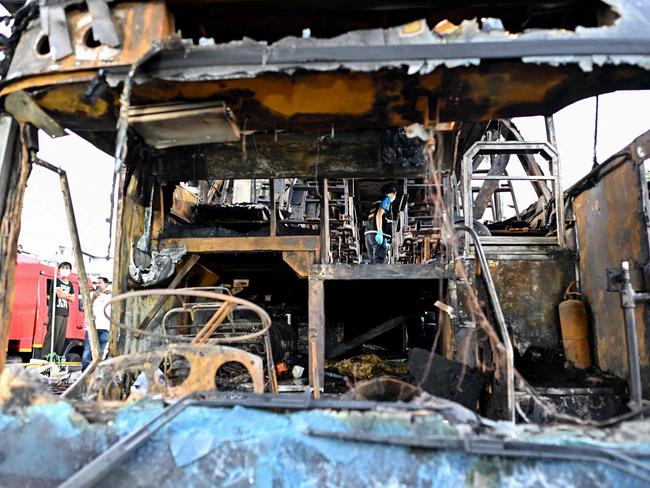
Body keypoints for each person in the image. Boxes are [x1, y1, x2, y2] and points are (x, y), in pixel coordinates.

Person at [43, 262, 75, 358]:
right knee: (52, 336)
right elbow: (60, 295)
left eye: (67, 268)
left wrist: (65, 295)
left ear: (70, 271)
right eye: (63, 268)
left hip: (65, 313)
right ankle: (46, 358)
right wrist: (68, 295)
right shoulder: (56, 281)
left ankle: (56, 358)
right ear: (59, 269)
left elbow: (73, 299)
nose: (65, 269)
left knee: (61, 338)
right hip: (55, 312)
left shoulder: (70, 285)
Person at [82, 276, 112, 371]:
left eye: (100, 282)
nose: (98, 284)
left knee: (101, 353)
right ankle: (84, 374)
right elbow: (86, 308)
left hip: (105, 328)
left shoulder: (110, 295)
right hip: (92, 328)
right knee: (87, 352)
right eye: (96, 283)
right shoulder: (91, 294)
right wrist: (94, 298)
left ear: (106, 284)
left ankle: (96, 374)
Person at [364, 182, 398, 264]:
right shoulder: (387, 199)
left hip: (368, 235)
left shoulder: (375, 203)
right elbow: (379, 214)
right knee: (379, 263)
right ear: (393, 193)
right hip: (376, 235)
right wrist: (380, 232)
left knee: (373, 263)